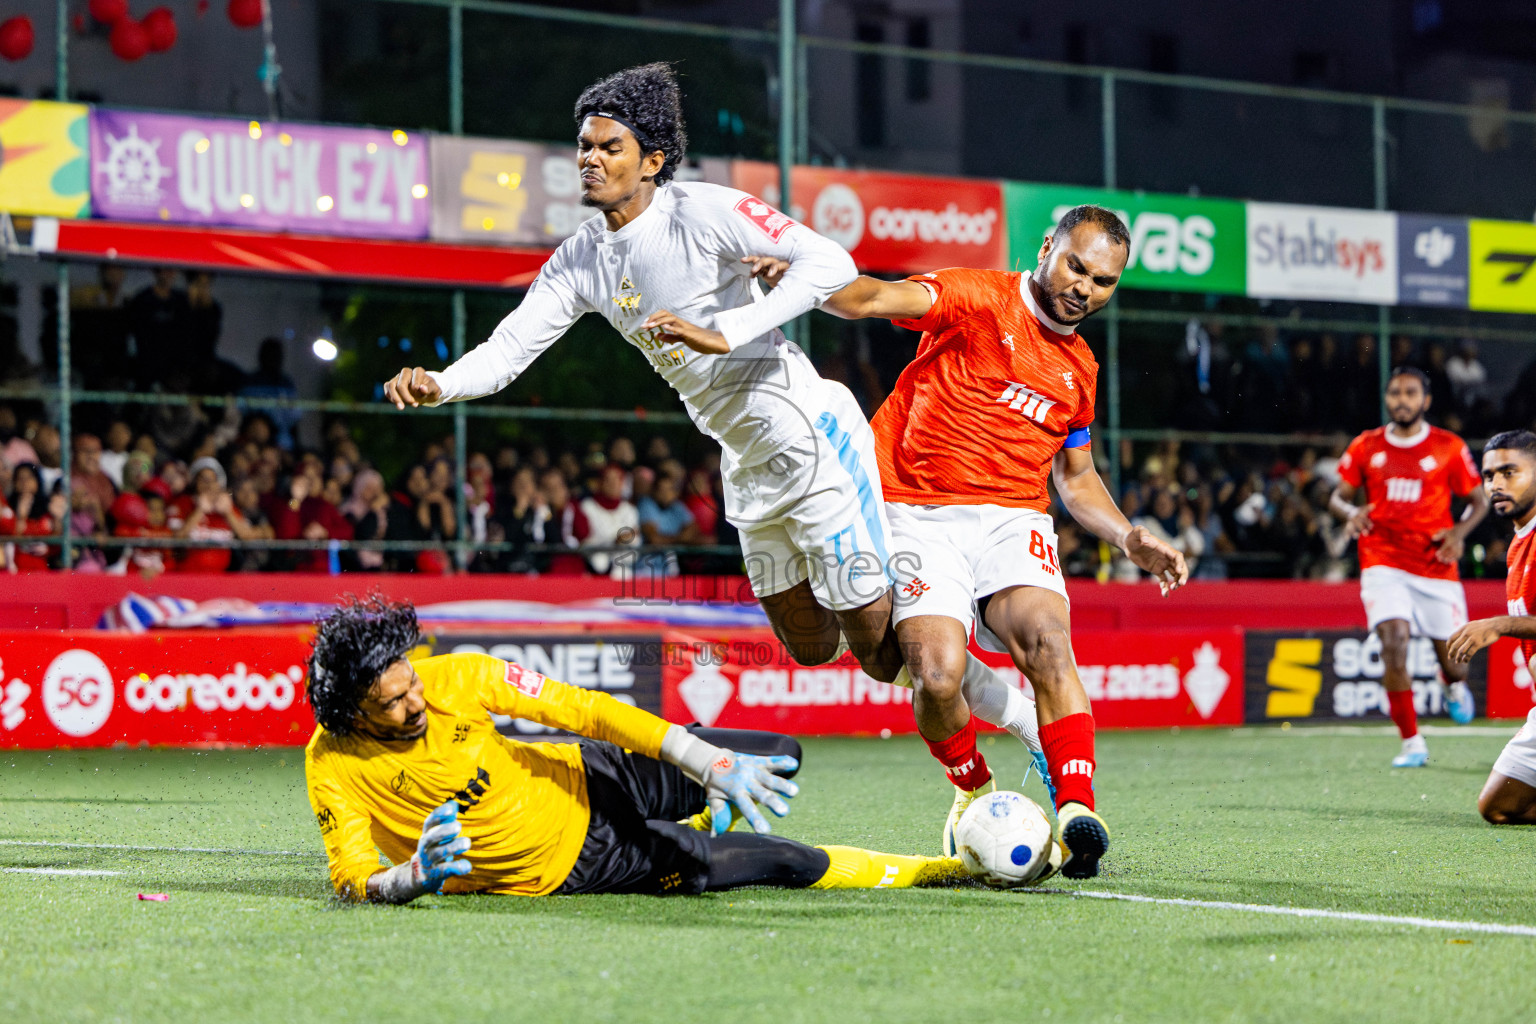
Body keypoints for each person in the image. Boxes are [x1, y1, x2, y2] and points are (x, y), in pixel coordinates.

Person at [382, 63, 952, 692]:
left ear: (652, 161)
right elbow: (507, 351)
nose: (589, 160)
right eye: (584, 146)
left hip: (808, 440)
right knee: (812, 650)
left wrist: (727, 331)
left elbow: (830, 262)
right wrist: (441, 382)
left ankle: (965, 637)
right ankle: (918, 591)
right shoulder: (580, 258)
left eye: (609, 147)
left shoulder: (703, 211)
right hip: (744, 464)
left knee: (882, 658)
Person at [803, 205, 1189, 880]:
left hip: (1013, 517)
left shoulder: (1080, 369)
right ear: (1047, 248)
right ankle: (972, 791)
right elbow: (870, 297)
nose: (1084, 288)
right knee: (936, 673)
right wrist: (790, 276)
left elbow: (1076, 477)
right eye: (1076, 265)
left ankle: (1076, 812)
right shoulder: (974, 297)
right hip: (916, 511)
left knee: (1046, 637)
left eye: (1103, 281)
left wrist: (1131, 537)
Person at [303, 597, 965, 902]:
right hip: (579, 863)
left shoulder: (458, 676)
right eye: (391, 702)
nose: (415, 702)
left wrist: (706, 762)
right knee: (783, 859)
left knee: (780, 753)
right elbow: (351, 876)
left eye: (410, 683)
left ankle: (700, 809)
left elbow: (586, 709)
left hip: (592, 776)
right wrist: (411, 877)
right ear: (351, 713)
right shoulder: (332, 763)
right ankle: (939, 871)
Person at [1329, 367, 1488, 767]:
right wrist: (1350, 512)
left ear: (1426, 400)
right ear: (1387, 398)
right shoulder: (1366, 446)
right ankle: (1412, 742)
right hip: (1382, 560)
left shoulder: (1448, 446)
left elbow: (1479, 500)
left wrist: (1459, 533)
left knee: (1455, 664)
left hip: (1435, 566)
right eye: (1395, 392)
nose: (1402, 399)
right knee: (1394, 642)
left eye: (1410, 393)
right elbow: (1338, 496)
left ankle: (1451, 686)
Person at [1448, 431, 1536, 823]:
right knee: (1497, 808)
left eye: (1509, 472)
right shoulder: (1520, 542)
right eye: (1488, 476)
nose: (1496, 484)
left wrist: (1500, 625)